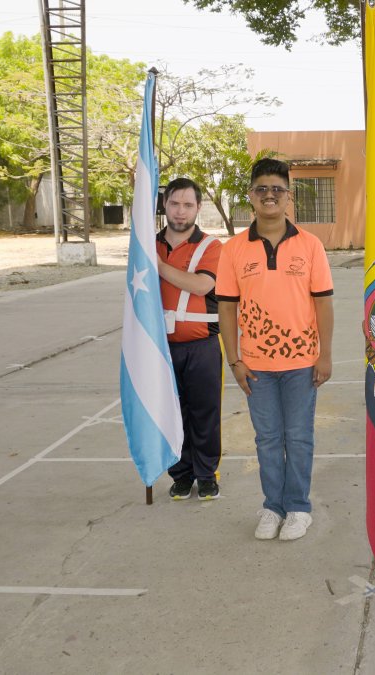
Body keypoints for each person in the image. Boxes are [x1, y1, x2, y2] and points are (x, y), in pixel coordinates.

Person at [215, 158, 335, 541]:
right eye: (262, 189)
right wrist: (234, 360)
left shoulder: (310, 246)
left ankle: (298, 508)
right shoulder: (233, 250)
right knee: (267, 438)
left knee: (298, 436)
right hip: (255, 366)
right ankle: (272, 507)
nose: (270, 195)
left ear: (289, 196)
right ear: (251, 196)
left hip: (302, 363)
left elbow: (323, 303)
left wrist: (325, 355)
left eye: (277, 189)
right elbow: (226, 308)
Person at [157, 177, 224, 502]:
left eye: (187, 205)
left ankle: (207, 474)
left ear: (198, 208)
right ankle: (181, 475)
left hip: (202, 346)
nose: (180, 211)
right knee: (171, 414)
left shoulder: (211, 247)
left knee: (205, 412)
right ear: (164, 205)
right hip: (160, 347)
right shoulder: (149, 243)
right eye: (174, 203)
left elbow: (202, 285)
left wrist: (158, 266)